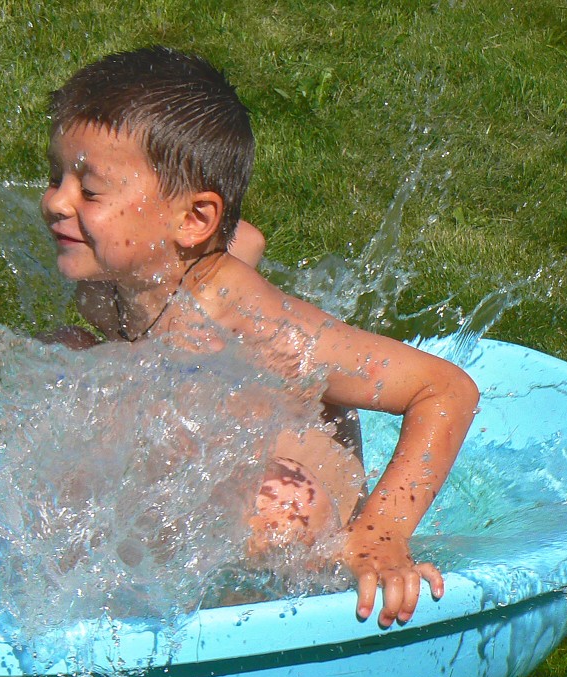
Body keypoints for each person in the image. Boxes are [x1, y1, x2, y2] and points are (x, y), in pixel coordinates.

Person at [39, 46, 479, 627]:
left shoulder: (245, 319)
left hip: (302, 503)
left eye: (88, 191)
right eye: (56, 175)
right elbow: (235, 235)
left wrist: (380, 534)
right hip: (203, 428)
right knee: (61, 356)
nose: (54, 202)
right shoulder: (113, 276)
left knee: (278, 513)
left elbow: (445, 389)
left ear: (193, 221)